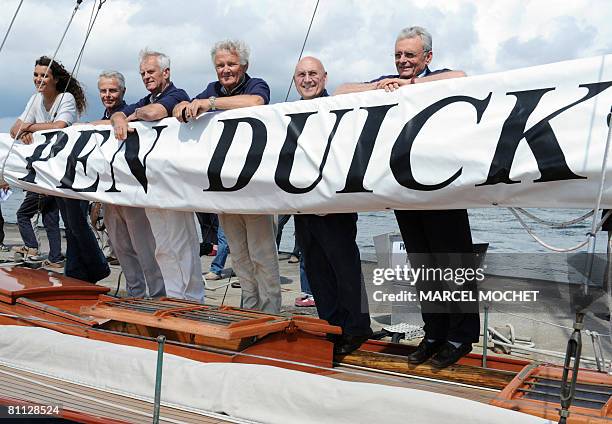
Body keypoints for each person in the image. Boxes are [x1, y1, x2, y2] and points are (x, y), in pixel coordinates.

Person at [336, 27, 478, 368]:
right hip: (406, 188)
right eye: (398, 55)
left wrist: (411, 85)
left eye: (410, 55)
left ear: (427, 58)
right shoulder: (388, 81)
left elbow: (462, 76)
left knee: (452, 263)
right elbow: (342, 90)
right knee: (423, 265)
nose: (402, 61)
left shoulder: (439, 79)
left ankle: (460, 336)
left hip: (443, 189)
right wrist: (379, 86)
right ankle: (434, 333)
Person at [173, 39, 281, 313]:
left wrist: (210, 103)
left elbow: (255, 101)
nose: (226, 70)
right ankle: (249, 311)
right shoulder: (212, 89)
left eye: (231, 64)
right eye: (220, 65)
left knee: (262, 256)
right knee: (240, 258)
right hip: (225, 190)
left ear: (244, 65)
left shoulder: (257, 84)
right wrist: (182, 107)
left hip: (255, 189)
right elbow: (187, 104)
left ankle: (270, 314)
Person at [111, 49, 204, 302]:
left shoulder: (177, 94)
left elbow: (153, 113)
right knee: (162, 247)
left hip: (175, 184)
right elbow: (119, 113)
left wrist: (133, 114)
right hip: (152, 186)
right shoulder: (147, 98)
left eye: (150, 72)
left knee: (182, 244)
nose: (146, 77)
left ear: (166, 72)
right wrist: (120, 116)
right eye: (142, 73)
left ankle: (193, 299)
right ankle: (173, 297)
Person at [292, 57, 371, 352]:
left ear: (325, 78)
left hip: (335, 203)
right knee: (315, 267)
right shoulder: (289, 113)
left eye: (313, 74)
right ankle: (332, 324)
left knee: (344, 265)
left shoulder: (339, 105)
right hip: (303, 204)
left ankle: (357, 327)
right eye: (301, 75)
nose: (307, 79)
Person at [91, 71, 165, 298]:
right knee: (121, 248)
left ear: (122, 91)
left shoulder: (131, 111)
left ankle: (157, 295)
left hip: (132, 193)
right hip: (110, 195)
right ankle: (135, 294)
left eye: (112, 90)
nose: (108, 95)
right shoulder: (104, 115)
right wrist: (96, 201)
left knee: (144, 249)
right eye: (103, 90)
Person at [9, 56, 83, 271]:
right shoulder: (35, 100)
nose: (39, 79)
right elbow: (15, 128)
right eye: (36, 75)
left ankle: (39, 250)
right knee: (51, 216)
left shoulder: (65, 98)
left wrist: (29, 128)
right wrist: (23, 130)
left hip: (63, 167)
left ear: (55, 79)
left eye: (44, 76)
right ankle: (55, 257)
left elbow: (59, 125)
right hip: (42, 168)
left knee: (69, 221)